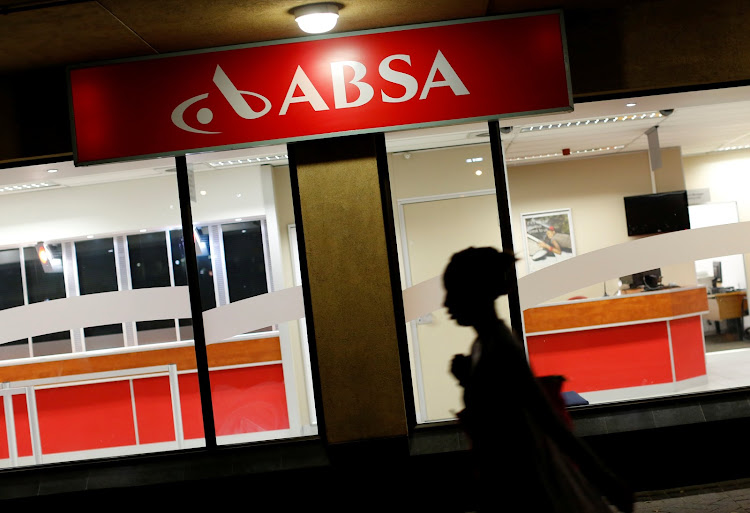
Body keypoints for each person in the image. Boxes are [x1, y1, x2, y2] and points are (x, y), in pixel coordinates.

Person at [444, 246, 633, 512]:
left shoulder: (499, 346)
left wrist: (604, 479)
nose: (446, 303)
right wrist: (468, 379)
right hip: (504, 476)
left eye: (453, 291)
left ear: (476, 292)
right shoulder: (484, 345)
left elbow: (546, 417)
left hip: (522, 480)